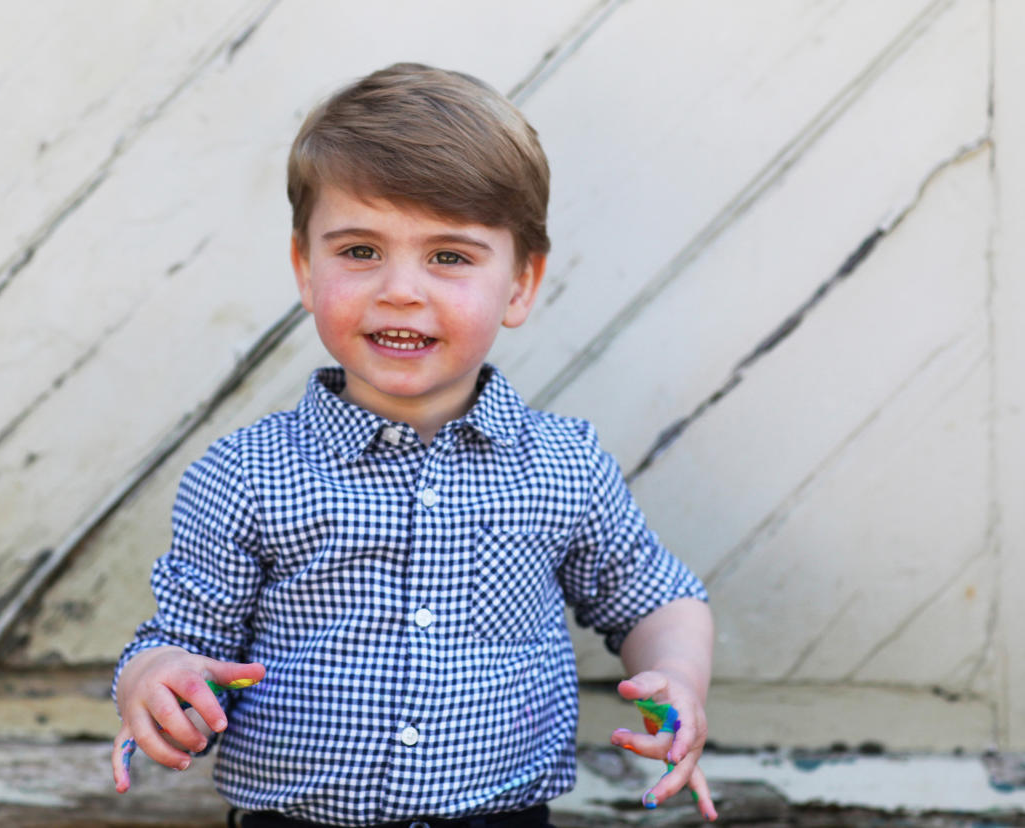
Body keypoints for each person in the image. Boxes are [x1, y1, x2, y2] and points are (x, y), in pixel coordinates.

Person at [111, 62, 718, 826]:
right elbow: (182, 639)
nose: (401, 289)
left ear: (522, 284)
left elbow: (654, 598)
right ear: (306, 267)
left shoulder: (563, 465)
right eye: (360, 251)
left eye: (449, 257)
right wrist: (160, 679)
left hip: (496, 816)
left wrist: (677, 678)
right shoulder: (246, 475)